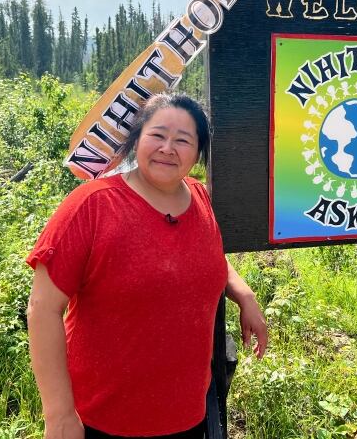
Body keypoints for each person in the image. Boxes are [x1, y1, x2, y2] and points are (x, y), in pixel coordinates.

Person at [26, 93, 268, 439]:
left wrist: (244, 293)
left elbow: (205, 257)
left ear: (198, 153)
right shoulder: (92, 206)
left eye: (183, 140)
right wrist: (60, 417)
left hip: (187, 415)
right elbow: (42, 309)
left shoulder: (199, 197)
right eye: (157, 135)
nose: (168, 148)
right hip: (102, 421)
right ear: (136, 139)